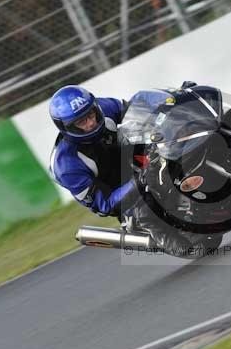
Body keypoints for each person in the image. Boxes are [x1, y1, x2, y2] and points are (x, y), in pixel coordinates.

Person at [48, 84, 202, 257]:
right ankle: (156, 232)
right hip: (119, 191)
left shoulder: (104, 108)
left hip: (136, 159)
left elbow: (139, 107)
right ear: (67, 127)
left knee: (154, 131)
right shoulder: (67, 166)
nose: (91, 122)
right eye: (81, 122)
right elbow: (105, 205)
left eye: (90, 114)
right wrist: (140, 180)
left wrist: (174, 99)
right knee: (146, 210)